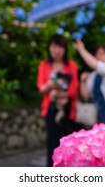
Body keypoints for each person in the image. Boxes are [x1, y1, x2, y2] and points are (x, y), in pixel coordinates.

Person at [37, 34, 79, 167]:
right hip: (51, 109)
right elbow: (41, 87)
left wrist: (64, 95)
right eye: (54, 46)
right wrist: (50, 85)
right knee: (52, 144)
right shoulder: (44, 65)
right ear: (49, 48)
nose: (57, 50)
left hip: (67, 110)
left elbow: (74, 88)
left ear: (64, 49)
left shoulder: (71, 65)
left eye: (60, 47)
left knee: (68, 143)